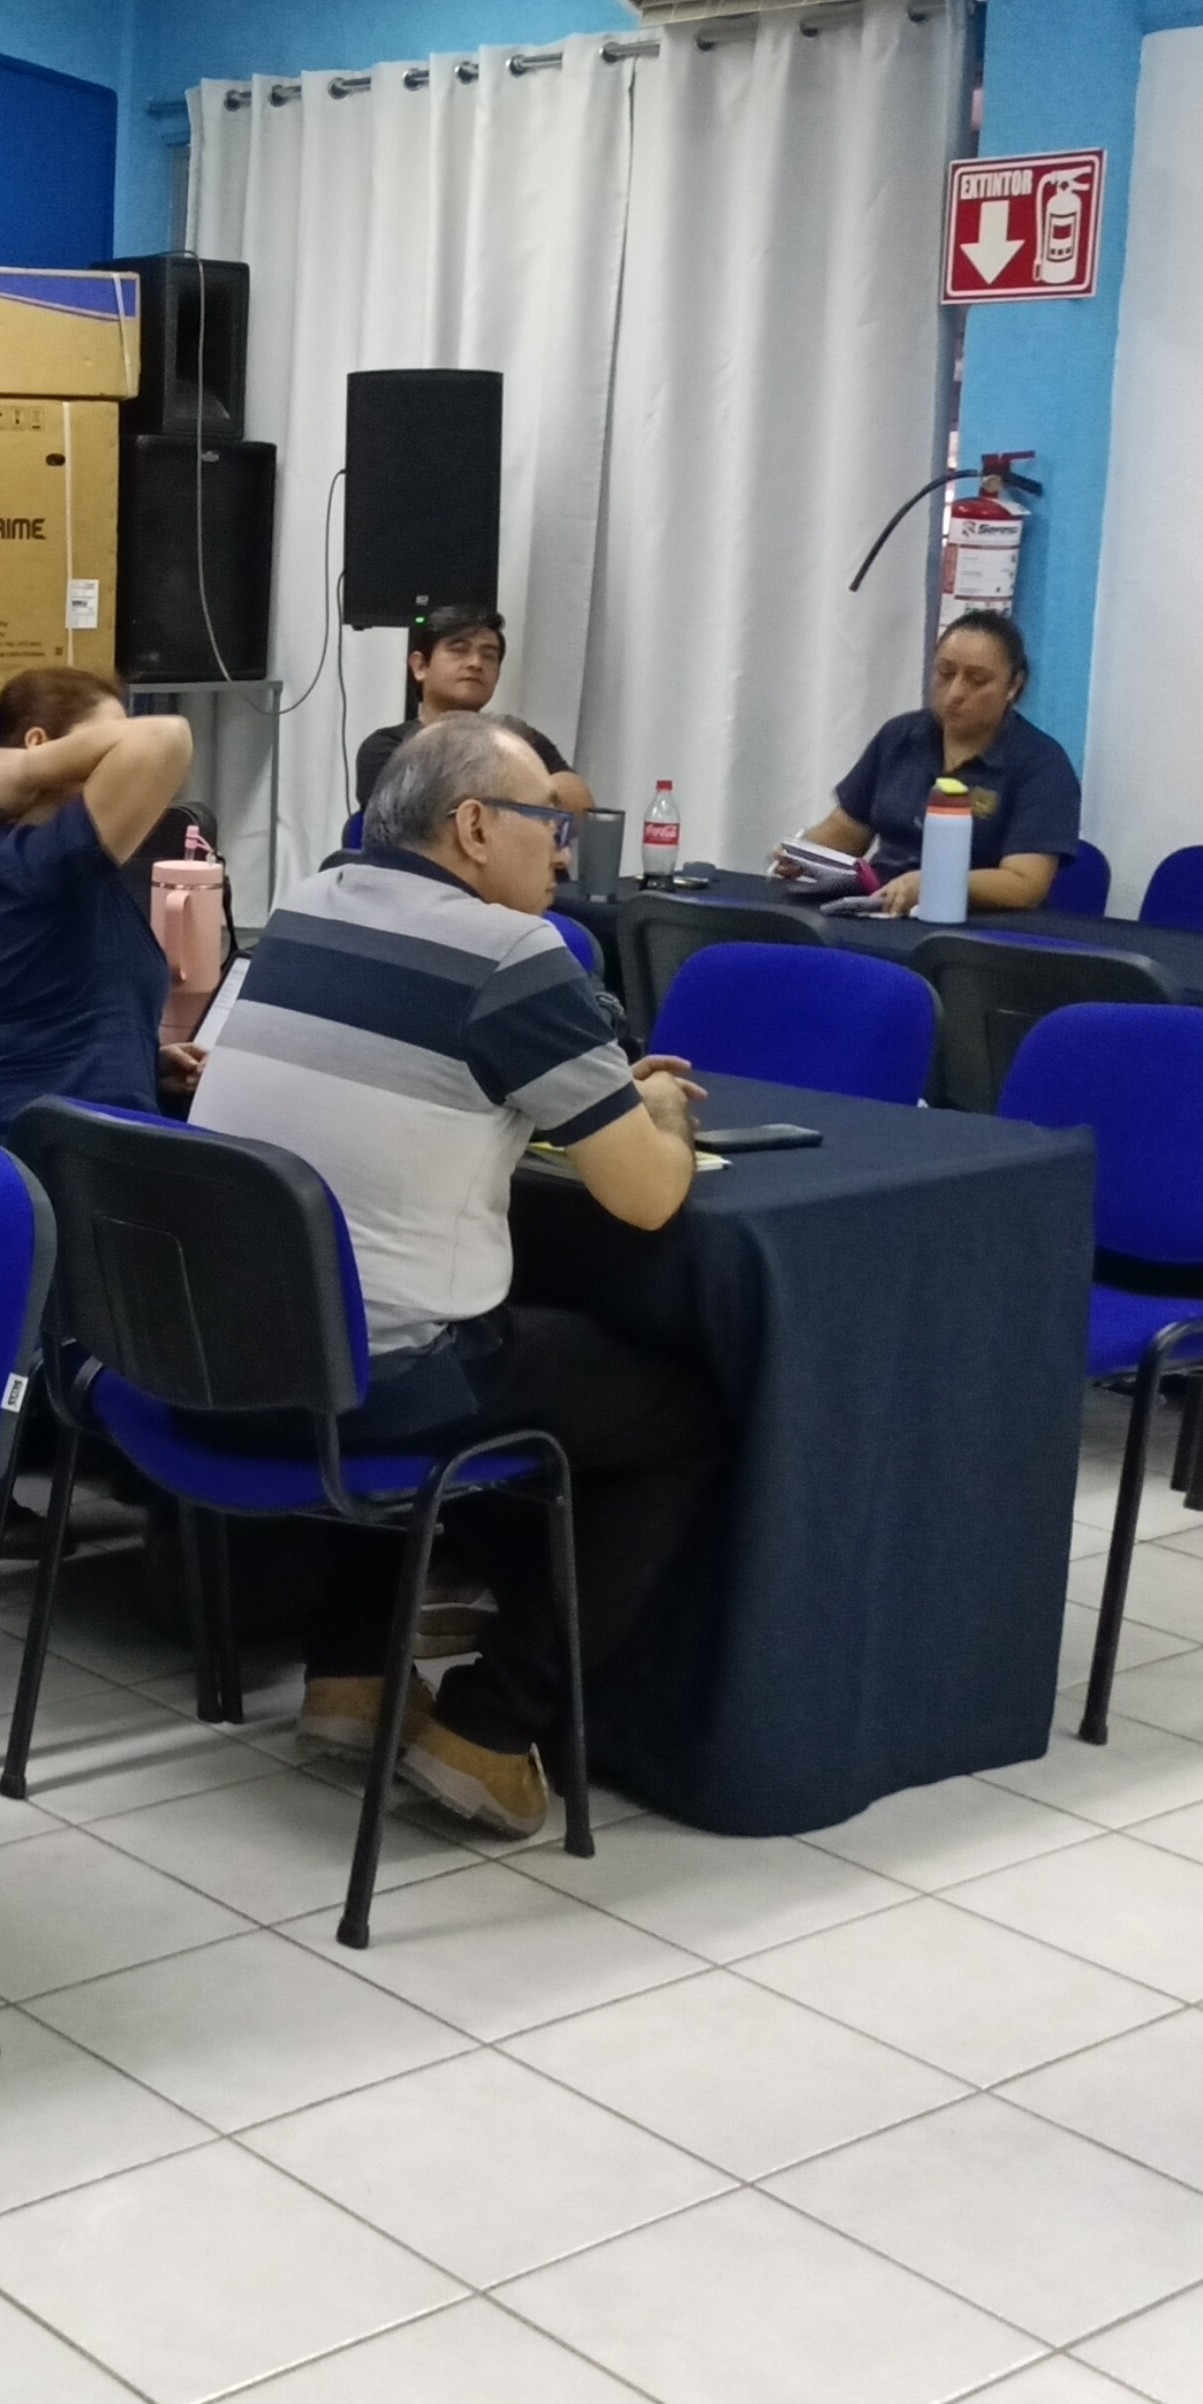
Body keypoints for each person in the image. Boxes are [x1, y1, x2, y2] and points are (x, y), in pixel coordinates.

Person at [186, 713, 725, 1840]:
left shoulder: (307, 905)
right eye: (548, 825)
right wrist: (657, 1109)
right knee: (680, 1416)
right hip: (374, 1383)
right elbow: (646, 1196)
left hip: (218, 1357)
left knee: (364, 1291)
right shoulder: (512, 956)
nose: (565, 853)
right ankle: (493, 1721)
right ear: (474, 827)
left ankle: (351, 1679)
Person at [0, 669, 201, 1138]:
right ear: (38, 744)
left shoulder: (6, 862)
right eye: (105, 739)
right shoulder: (44, 863)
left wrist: (142, 1064)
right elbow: (165, 737)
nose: (112, 755)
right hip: (49, 1162)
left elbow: (36, 1036)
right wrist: (27, 768)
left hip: (15, 1146)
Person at [782, 609, 1085, 914]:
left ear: (1013, 685)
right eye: (945, 673)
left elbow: (1025, 884)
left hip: (980, 926)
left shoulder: (1042, 763)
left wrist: (937, 882)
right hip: (879, 908)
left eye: (977, 680)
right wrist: (802, 852)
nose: (955, 693)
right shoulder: (899, 736)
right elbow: (846, 830)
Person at [349, 601, 598, 821]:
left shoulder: (517, 737)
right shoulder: (388, 747)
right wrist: (531, 798)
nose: (475, 663)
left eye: (489, 655)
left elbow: (579, 805)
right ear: (420, 666)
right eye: (459, 650)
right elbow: (422, 824)